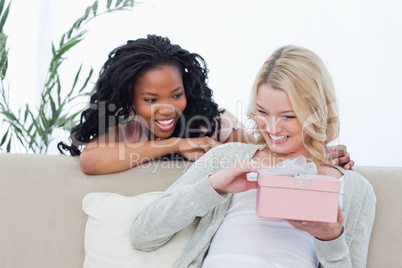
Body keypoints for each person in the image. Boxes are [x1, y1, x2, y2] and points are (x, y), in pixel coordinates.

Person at [130, 45, 376, 267]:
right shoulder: (229, 158)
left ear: (317, 113)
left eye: (288, 116)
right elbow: (143, 236)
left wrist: (330, 238)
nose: (272, 127)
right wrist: (213, 186)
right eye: (262, 112)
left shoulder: (355, 189)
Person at [58, 35, 353, 175]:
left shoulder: (215, 123)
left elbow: (265, 156)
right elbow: (91, 160)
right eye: (150, 100)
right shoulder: (127, 127)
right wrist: (175, 144)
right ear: (130, 100)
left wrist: (317, 155)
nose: (167, 109)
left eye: (176, 95)